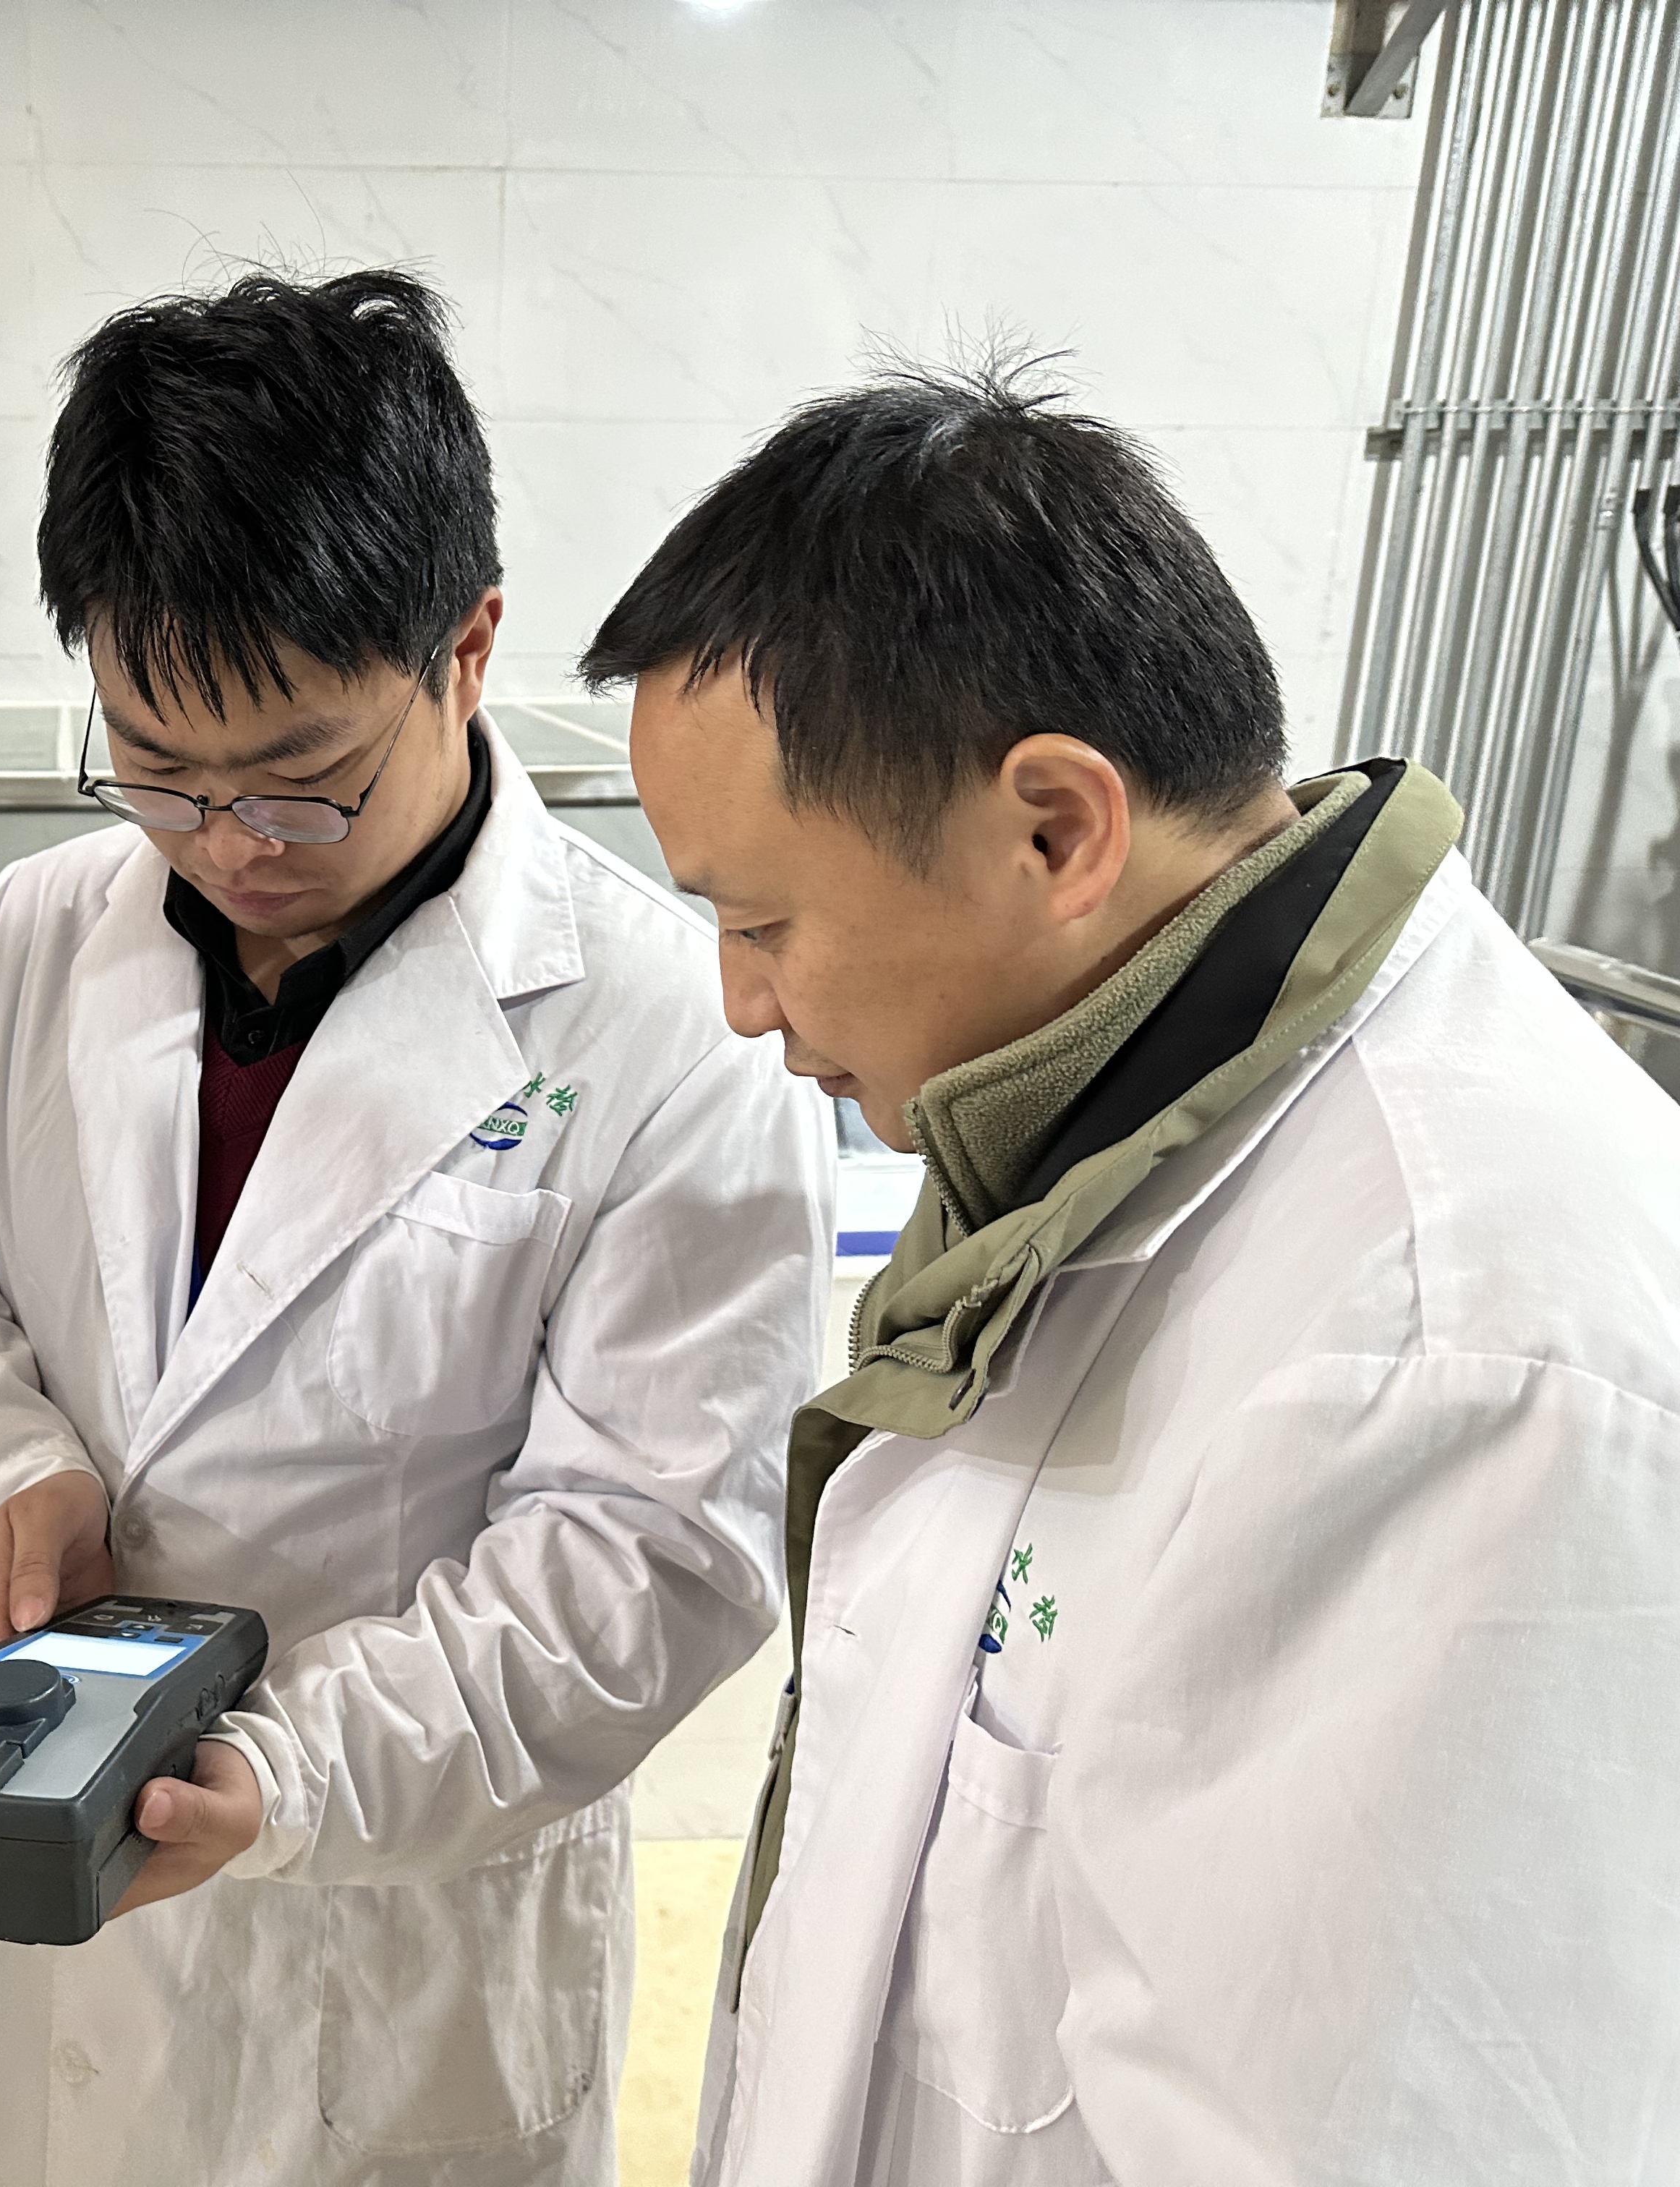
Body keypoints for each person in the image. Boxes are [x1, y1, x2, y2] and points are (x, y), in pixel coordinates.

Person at [585, 361, 1680, 2185]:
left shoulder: (1450, 1365)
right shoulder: (1085, 1124)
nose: (742, 1003)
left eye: (762, 921)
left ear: (1058, 831)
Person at [0, 268, 830, 2187]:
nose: (224, 843)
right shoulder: (46, 931)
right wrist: (4, 1468)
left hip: (395, 1937)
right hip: (45, 1875)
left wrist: (282, 1773)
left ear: (467, 646)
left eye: (300, 780)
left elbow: (649, 1559)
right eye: (153, 764)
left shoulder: (666, 1032)